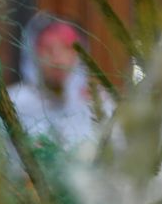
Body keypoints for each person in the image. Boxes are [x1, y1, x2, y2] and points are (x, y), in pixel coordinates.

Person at [7, 13, 98, 154]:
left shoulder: (97, 104)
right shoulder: (14, 102)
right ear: (33, 53)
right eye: (48, 49)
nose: (58, 60)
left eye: (67, 48)